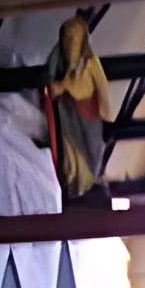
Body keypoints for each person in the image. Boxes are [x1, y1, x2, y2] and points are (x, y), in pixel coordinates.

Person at [41, 13, 110, 198]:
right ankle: (73, 176)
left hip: (88, 113)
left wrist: (107, 112)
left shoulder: (91, 63)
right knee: (70, 148)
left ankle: (84, 180)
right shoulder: (59, 63)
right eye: (68, 38)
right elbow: (52, 83)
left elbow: (101, 87)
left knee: (89, 149)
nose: (71, 43)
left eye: (75, 38)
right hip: (68, 112)